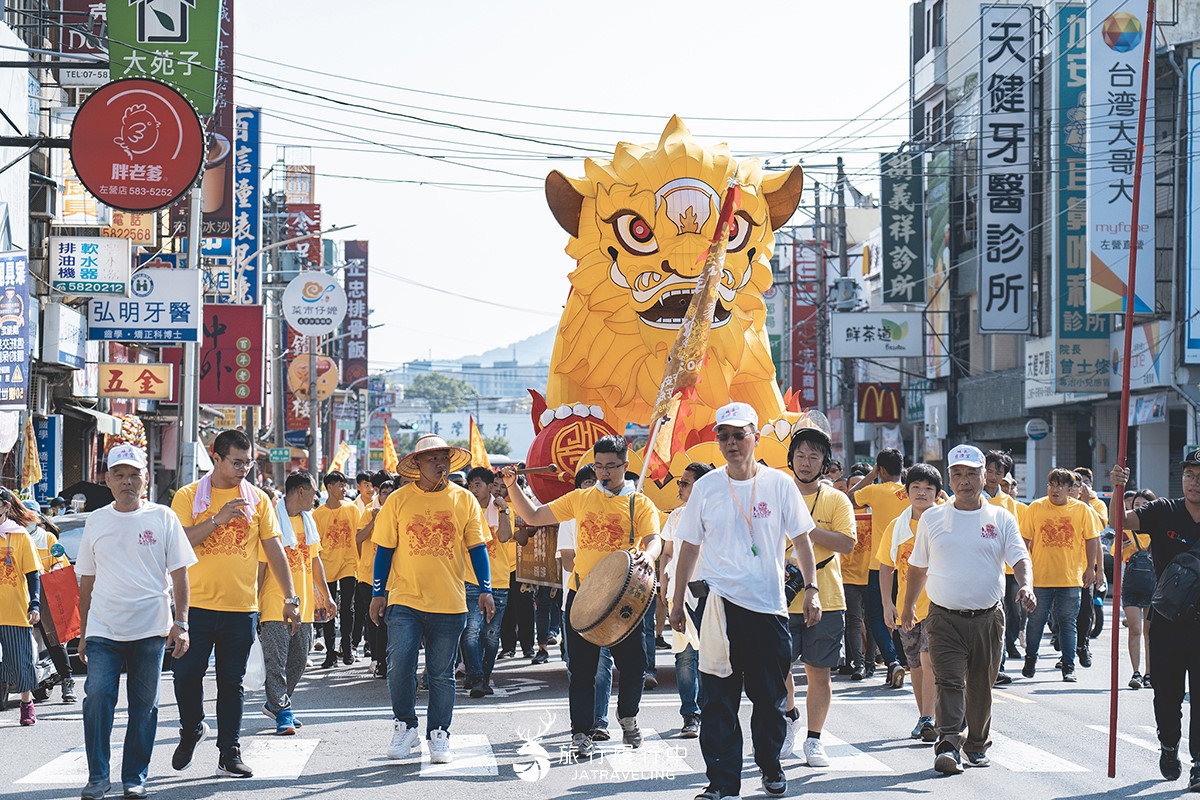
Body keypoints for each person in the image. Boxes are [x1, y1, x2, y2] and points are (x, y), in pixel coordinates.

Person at [670, 402, 821, 800]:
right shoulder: (706, 488)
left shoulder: (779, 484)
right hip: (718, 606)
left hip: (767, 606)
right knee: (718, 699)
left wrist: (812, 589)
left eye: (739, 435)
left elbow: (802, 540)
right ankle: (721, 783)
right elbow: (688, 547)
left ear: (755, 436)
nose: (732, 443)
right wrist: (674, 600)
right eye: (724, 436)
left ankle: (770, 766)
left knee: (769, 698)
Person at [501, 434, 661, 759]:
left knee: (634, 664)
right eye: (599, 466)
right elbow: (533, 517)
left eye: (611, 467)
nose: (604, 473)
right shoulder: (581, 497)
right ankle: (581, 734)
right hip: (583, 596)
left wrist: (650, 554)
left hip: (623, 598)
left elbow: (654, 538)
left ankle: (628, 714)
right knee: (582, 671)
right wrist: (512, 486)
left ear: (624, 466)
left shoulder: (639, 503)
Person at [170, 429, 298, 778]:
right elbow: (179, 542)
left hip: (241, 608)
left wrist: (290, 598)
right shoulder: (188, 495)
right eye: (236, 462)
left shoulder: (259, 500)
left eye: (248, 462)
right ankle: (192, 727)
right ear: (216, 458)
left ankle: (230, 752)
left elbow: (274, 550)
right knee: (185, 675)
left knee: (231, 682)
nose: (244, 469)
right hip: (193, 607)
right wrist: (217, 520)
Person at [901, 444, 1035, 775]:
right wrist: (906, 608)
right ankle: (948, 742)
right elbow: (917, 567)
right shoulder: (933, 518)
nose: (965, 481)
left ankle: (976, 744)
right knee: (948, 681)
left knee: (979, 686)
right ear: (949, 477)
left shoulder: (1000, 517)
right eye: (958, 474)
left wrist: (1027, 585)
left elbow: (1020, 557)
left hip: (988, 617)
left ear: (983, 476)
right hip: (944, 617)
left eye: (972, 474)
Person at [76, 444, 196, 800]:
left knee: (145, 705)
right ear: (108, 480)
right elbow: (86, 581)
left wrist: (182, 622)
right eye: (119, 475)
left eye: (134, 475)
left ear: (146, 478)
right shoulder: (96, 521)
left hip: (150, 629)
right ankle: (98, 776)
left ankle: (134, 776)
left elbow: (179, 573)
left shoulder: (163, 517)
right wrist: (83, 633)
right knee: (98, 696)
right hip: (103, 628)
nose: (127, 482)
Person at [370, 434, 493, 765]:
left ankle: (439, 732)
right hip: (405, 599)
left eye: (444, 459)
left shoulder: (464, 499)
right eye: (432, 459)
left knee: (441, 673)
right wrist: (377, 593)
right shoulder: (397, 501)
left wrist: (486, 588)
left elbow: (478, 547)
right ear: (417, 466)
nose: (440, 464)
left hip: (450, 602)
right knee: (399, 666)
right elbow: (384, 549)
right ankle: (405, 725)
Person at [1111, 454, 1200, 788]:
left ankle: (1199, 764)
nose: (1195, 482)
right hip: (1166, 622)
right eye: (1190, 475)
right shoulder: (1164, 510)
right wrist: (1117, 490)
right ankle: (1168, 745)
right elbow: (1119, 522)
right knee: (1167, 695)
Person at [782, 423, 855, 768]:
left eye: (814, 456)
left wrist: (810, 531)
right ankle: (788, 718)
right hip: (779, 599)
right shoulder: (778, 494)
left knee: (818, 672)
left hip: (826, 599)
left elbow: (848, 544)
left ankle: (814, 739)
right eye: (800, 455)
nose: (806, 462)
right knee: (776, 669)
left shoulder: (836, 499)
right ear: (791, 458)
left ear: (825, 462)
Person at [259, 472, 336, 736]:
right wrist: (254, 600)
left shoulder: (309, 522)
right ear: (301, 491)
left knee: (300, 660)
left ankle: (277, 702)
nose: (317, 498)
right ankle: (283, 711)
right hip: (273, 602)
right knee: (276, 661)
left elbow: (315, 562)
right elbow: (261, 564)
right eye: (314, 492)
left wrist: (326, 596)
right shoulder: (272, 521)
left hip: (303, 603)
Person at [1019, 468, 1103, 682]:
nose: (1054, 489)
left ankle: (1068, 666)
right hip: (1041, 578)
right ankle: (1030, 660)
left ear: (1069, 489)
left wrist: (1090, 569)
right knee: (1036, 621)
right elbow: (1025, 540)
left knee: (1068, 623)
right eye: (1051, 485)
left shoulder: (1082, 510)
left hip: (1070, 578)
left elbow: (1092, 539)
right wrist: (1025, 569)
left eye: (1059, 486)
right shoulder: (1036, 508)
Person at [879, 463, 942, 743]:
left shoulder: (945, 522)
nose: (922, 493)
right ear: (906, 492)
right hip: (907, 608)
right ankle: (924, 717)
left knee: (929, 661)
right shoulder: (897, 527)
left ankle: (929, 717)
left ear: (938, 494)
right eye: (916, 487)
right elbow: (885, 567)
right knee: (915, 665)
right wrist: (887, 604)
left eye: (928, 488)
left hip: (940, 605)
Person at [555, 464, 617, 741]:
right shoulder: (571, 515)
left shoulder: (618, 510)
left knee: (602, 664)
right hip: (577, 599)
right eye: (587, 482)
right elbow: (567, 557)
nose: (592, 486)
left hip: (609, 601)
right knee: (578, 668)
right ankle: (580, 727)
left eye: (596, 481)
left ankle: (599, 721)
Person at [658, 461, 713, 739]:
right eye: (679, 482)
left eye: (684, 483)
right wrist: (664, 577)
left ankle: (710, 710)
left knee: (709, 656)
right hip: (679, 595)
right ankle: (690, 714)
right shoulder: (676, 517)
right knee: (685, 657)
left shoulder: (715, 515)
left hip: (709, 593)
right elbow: (667, 552)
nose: (679, 487)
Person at [848, 448, 909, 688]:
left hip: (880, 564)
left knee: (876, 615)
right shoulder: (912, 491)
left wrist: (871, 475)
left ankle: (893, 661)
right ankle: (905, 659)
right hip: (909, 565)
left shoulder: (875, 491)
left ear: (881, 469)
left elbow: (850, 497)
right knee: (905, 613)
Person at [463, 466, 511, 697]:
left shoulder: (499, 508)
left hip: (499, 581)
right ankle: (477, 677)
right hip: (470, 580)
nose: (473, 489)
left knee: (491, 636)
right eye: (470, 485)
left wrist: (505, 511)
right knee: (471, 632)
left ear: (490, 487)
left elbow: (503, 537)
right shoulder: (465, 508)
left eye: (477, 485)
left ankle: (481, 675)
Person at [0, 488, 44, 728]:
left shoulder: (20, 536)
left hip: (15, 610)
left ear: (6, 507)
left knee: (21, 662)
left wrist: (34, 603)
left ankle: (26, 704)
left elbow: (33, 574)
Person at [25, 505, 76, 703]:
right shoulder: (14, 536)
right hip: (20, 594)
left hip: (45, 595)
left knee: (52, 639)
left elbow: (60, 561)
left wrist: (54, 567)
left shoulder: (47, 538)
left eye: (30, 516)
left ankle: (67, 680)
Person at [983, 450, 1024, 683]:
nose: (992, 475)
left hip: (1000, 570)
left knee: (1001, 618)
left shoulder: (1009, 503)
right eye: (989, 470)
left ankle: (999, 667)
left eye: (998, 472)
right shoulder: (970, 497)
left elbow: (1013, 537)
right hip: (973, 568)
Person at [313, 471, 361, 668]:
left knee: (347, 608)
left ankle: (347, 647)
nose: (344, 489)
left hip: (349, 564)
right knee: (328, 608)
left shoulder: (352, 509)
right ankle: (330, 652)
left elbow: (358, 536)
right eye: (339, 485)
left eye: (344, 485)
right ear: (329, 487)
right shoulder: (318, 515)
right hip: (327, 566)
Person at [356, 478, 396, 678]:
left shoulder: (398, 513)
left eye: (391, 493)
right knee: (373, 620)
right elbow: (358, 538)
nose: (387, 497)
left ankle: (386, 660)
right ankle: (377, 659)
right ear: (378, 495)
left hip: (392, 578)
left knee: (388, 621)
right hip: (367, 576)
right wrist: (373, 520)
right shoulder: (367, 512)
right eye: (384, 493)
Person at [1116, 488, 1156, 690]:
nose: (1139, 508)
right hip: (1131, 586)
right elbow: (1117, 555)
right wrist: (1123, 546)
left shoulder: (1158, 529)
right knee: (1135, 629)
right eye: (1136, 505)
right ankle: (1136, 673)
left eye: (1143, 505)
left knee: (1150, 632)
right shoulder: (1126, 530)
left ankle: (1150, 674)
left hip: (1153, 587)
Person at [840, 462, 875, 680]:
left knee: (872, 621)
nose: (858, 490)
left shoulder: (875, 508)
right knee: (853, 621)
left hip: (872, 573)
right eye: (854, 485)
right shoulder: (842, 510)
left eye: (862, 485)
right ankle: (858, 664)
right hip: (849, 574)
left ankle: (871, 662)